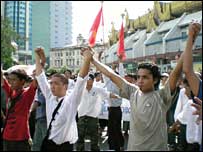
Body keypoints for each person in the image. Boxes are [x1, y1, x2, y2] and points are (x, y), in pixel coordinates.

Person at [84, 44, 183, 150]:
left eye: (145, 77)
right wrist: (93, 60)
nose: (140, 80)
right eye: (138, 77)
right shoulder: (133, 92)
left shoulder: (162, 96)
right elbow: (111, 74)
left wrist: (191, 38)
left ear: (155, 80)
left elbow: (176, 72)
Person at [34, 46, 92, 151]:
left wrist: (87, 59)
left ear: (65, 86)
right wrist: (38, 57)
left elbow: (81, 80)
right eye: (51, 83)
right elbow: (40, 76)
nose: (52, 86)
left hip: (65, 147)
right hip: (49, 143)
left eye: (56, 83)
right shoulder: (50, 96)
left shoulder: (71, 101)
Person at [76, 73, 120, 151]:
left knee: (94, 137)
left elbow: (108, 94)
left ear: (93, 81)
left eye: (89, 79)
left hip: (93, 117)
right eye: (85, 80)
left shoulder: (97, 89)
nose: (86, 81)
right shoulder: (80, 90)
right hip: (82, 116)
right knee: (80, 136)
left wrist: (118, 96)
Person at [1, 68, 37, 151]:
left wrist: (40, 64)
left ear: (22, 81)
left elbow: (37, 81)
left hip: (21, 138)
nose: (10, 82)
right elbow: (2, 78)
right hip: (7, 137)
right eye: (9, 79)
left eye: (14, 80)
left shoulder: (27, 94)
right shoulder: (11, 93)